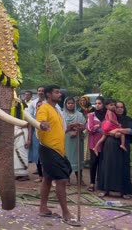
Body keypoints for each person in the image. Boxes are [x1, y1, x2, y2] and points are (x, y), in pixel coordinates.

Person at [36, 85, 80, 227]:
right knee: (61, 179)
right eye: (56, 92)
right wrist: (42, 125)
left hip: (58, 150)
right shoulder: (44, 108)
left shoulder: (57, 109)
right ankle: (65, 212)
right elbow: (41, 122)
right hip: (49, 149)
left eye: (59, 92)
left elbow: (58, 130)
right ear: (49, 95)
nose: (59, 94)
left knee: (48, 178)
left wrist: (70, 127)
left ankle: (43, 208)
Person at [97, 101, 132, 199]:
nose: (119, 109)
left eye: (122, 107)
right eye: (117, 107)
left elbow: (130, 130)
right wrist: (111, 133)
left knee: (123, 167)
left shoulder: (127, 119)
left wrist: (119, 130)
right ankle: (106, 190)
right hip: (110, 146)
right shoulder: (110, 117)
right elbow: (102, 130)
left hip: (122, 147)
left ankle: (124, 192)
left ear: (124, 108)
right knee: (108, 166)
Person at [62, 97, 86, 186]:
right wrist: (71, 126)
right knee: (67, 159)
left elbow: (83, 125)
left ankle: (79, 179)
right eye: (68, 103)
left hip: (77, 139)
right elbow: (62, 128)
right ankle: (67, 178)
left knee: (78, 158)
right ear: (65, 104)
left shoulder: (79, 114)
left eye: (72, 103)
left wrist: (77, 131)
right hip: (67, 139)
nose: (70, 105)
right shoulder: (62, 115)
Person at [86, 96, 105, 192]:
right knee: (93, 162)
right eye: (96, 103)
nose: (97, 105)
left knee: (103, 163)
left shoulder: (108, 115)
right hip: (94, 143)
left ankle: (101, 183)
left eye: (99, 103)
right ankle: (92, 183)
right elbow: (89, 128)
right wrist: (99, 126)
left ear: (103, 104)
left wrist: (97, 127)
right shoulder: (91, 115)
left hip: (105, 143)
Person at [29, 100, 44, 183]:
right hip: (35, 138)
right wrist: (29, 139)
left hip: (45, 139)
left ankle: (47, 177)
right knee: (37, 157)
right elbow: (30, 127)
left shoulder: (47, 116)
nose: (39, 107)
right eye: (38, 106)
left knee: (45, 158)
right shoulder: (33, 117)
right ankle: (40, 176)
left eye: (41, 106)